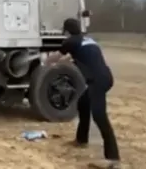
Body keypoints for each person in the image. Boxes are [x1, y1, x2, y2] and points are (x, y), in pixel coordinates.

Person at [45, 18, 121, 169]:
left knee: (100, 117)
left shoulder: (70, 41)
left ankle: (113, 159)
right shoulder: (88, 39)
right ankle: (81, 140)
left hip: (97, 81)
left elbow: (56, 57)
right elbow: (75, 57)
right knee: (83, 103)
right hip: (106, 76)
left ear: (66, 31)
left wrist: (46, 62)